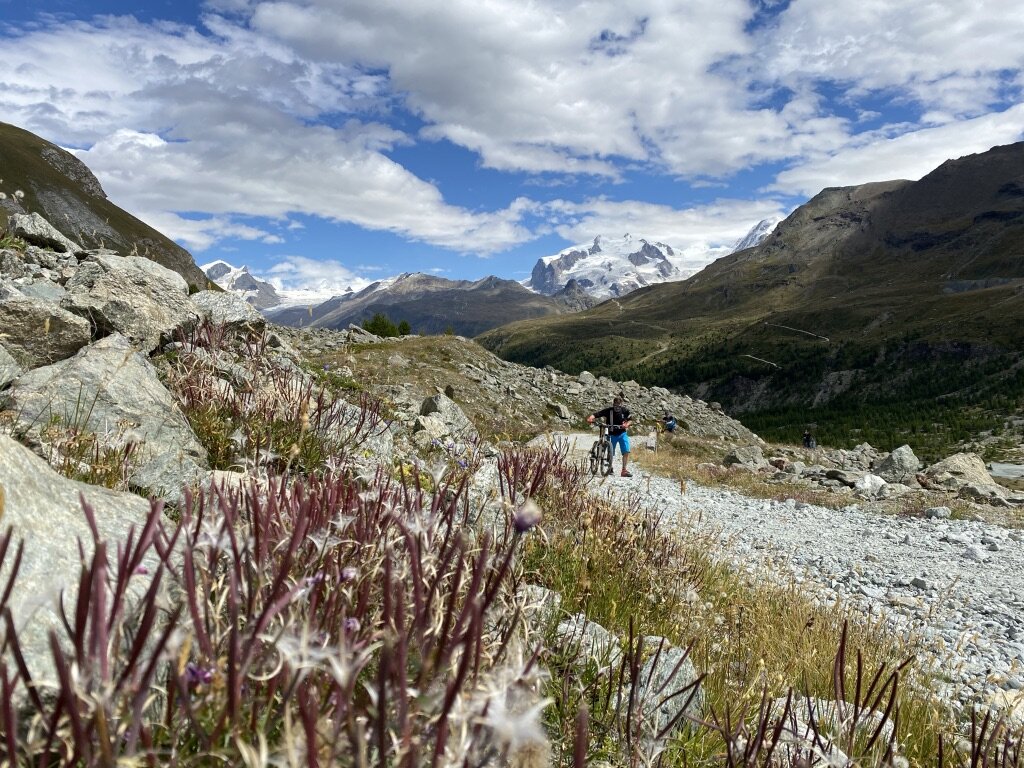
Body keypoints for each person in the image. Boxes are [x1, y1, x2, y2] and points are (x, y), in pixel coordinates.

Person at [587, 396, 633, 477]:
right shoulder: (609, 411)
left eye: (618, 406)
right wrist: (591, 418)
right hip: (611, 433)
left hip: (622, 433)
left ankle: (624, 470)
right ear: (613, 404)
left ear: (621, 405)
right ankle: (610, 466)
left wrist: (626, 424)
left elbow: (630, 419)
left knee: (626, 451)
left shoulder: (625, 411)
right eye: (615, 405)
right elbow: (597, 414)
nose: (617, 407)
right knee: (610, 452)